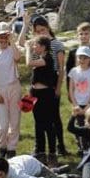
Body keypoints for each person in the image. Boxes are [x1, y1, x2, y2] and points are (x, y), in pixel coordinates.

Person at [0, 20, 25, 161]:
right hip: (0, 89)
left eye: (5, 36)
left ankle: (12, 149)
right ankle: (2, 147)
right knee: (2, 124)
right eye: (0, 37)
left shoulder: (12, 50)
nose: (3, 39)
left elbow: (18, 58)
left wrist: (12, 40)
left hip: (14, 86)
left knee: (15, 120)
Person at [31, 15, 68, 156]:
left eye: (43, 29)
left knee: (54, 117)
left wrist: (58, 87)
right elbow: (23, 44)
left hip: (52, 84)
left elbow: (61, 67)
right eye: (38, 31)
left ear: (48, 27)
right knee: (39, 118)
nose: (41, 32)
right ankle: (39, 147)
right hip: (38, 83)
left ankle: (61, 145)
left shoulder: (56, 44)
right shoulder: (37, 44)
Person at [26, 34, 59, 163]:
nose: (34, 47)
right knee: (38, 123)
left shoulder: (48, 58)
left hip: (46, 94)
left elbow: (29, 63)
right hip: (36, 93)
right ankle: (40, 151)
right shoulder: (40, 56)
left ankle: (52, 152)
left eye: (36, 45)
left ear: (43, 47)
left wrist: (28, 49)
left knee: (48, 124)